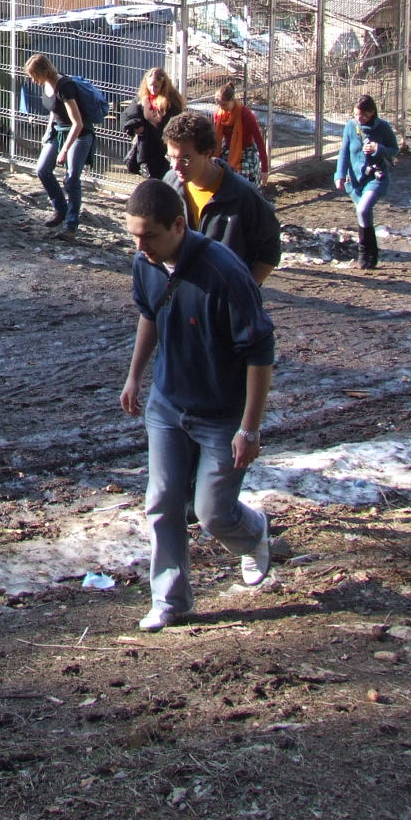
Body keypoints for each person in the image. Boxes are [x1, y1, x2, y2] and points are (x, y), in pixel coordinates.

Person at [119, 178, 276, 631]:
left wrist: (249, 428)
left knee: (212, 513)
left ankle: (253, 534)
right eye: (134, 236)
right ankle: (170, 600)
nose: (141, 247)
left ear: (178, 225)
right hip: (167, 406)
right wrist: (135, 375)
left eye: (150, 236)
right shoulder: (145, 263)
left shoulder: (225, 273)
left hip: (221, 414)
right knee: (162, 502)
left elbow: (260, 353)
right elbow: (150, 315)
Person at [162, 109, 281, 286]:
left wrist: (244, 289)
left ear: (208, 152)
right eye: (171, 157)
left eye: (185, 159)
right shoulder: (170, 183)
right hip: (184, 292)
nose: (176, 166)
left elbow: (270, 252)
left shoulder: (243, 195)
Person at [24, 53, 93, 233]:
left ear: (43, 71)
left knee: (71, 178)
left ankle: (71, 224)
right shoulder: (46, 84)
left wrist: (64, 150)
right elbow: (54, 110)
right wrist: (48, 131)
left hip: (79, 134)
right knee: (42, 169)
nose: (32, 80)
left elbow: (78, 123)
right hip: (58, 130)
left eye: (34, 76)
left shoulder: (64, 87)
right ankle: (60, 209)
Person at [335, 93, 400, 270]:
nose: (359, 118)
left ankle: (364, 252)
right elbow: (344, 152)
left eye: (363, 115)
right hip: (355, 179)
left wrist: (378, 148)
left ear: (372, 112)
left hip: (376, 177)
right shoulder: (350, 126)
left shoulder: (383, 127)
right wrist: (339, 175)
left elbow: (394, 150)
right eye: (356, 114)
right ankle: (370, 257)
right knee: (363, 214)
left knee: (363, 209)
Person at [120, 66, 183, 179]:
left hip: (163, 147)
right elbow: (127, 114)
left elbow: (176, 123)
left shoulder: (171, 102)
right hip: (146, 146)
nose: (153, 89)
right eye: (150, 85)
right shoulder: (143, 98)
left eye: (156, 86)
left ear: (163, 85)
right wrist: (135, 126)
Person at [214, 82, 269, 184]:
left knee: (243, 177)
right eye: (219, 104)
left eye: (224, 104)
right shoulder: (219, 114)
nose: (221, 108)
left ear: (232, 100)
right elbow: (215, 139)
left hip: (246, 151)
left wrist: (265, 169)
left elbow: (259, 141)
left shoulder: (246, 115)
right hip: (227, 150)